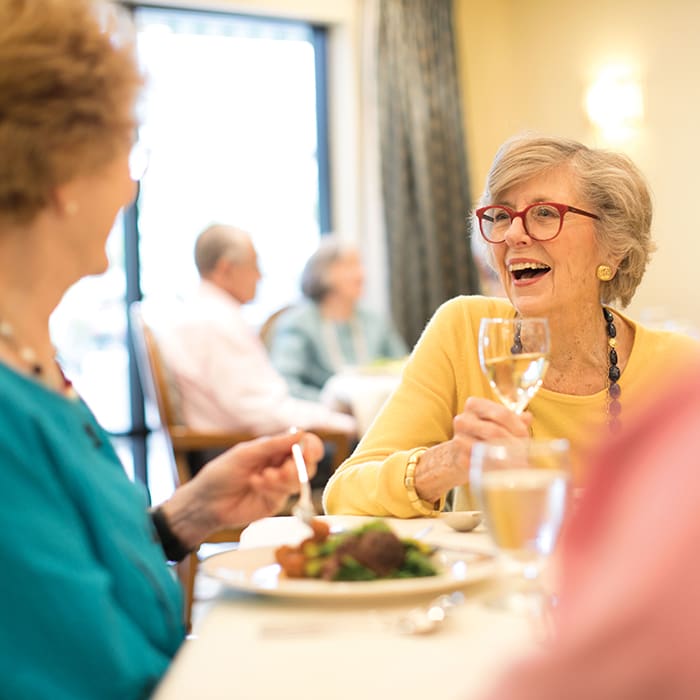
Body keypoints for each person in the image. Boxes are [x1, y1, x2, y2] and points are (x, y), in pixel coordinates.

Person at [0, 1, 324, 697]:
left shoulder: (34, 365)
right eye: (127, 151)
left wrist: (186, 516)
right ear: (62, 171)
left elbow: (68, 571)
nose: (130, 184)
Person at [323, 133, 699, 516]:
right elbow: (343, 495)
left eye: (545, 213)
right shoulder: (465, 330)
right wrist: (449, 461)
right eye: (501, 216)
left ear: (613, 248)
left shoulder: (680, 368)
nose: (513, 234)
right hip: (499, 576)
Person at [480, 358, 700, 699]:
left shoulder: (676, 372)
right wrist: (441, 464)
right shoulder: (468, 331)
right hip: (499, 608)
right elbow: (364, 481)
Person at [157, 224, 356, 436]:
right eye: (254, 266)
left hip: (237, 438)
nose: (260, 276)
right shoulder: (216, 322)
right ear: (226, 269)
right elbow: (262, 411)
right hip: (235, 446)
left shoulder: (202, 312)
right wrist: (339, 422)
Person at [269, 235, 408, 401]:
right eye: (349, 265)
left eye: (360, 264)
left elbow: (406, 372)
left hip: (380, 415)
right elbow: (285, 385)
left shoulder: (375, 321)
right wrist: (334, 404)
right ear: (323, 273)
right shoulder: (297, 324)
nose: (361, 274)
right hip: (323, 420)